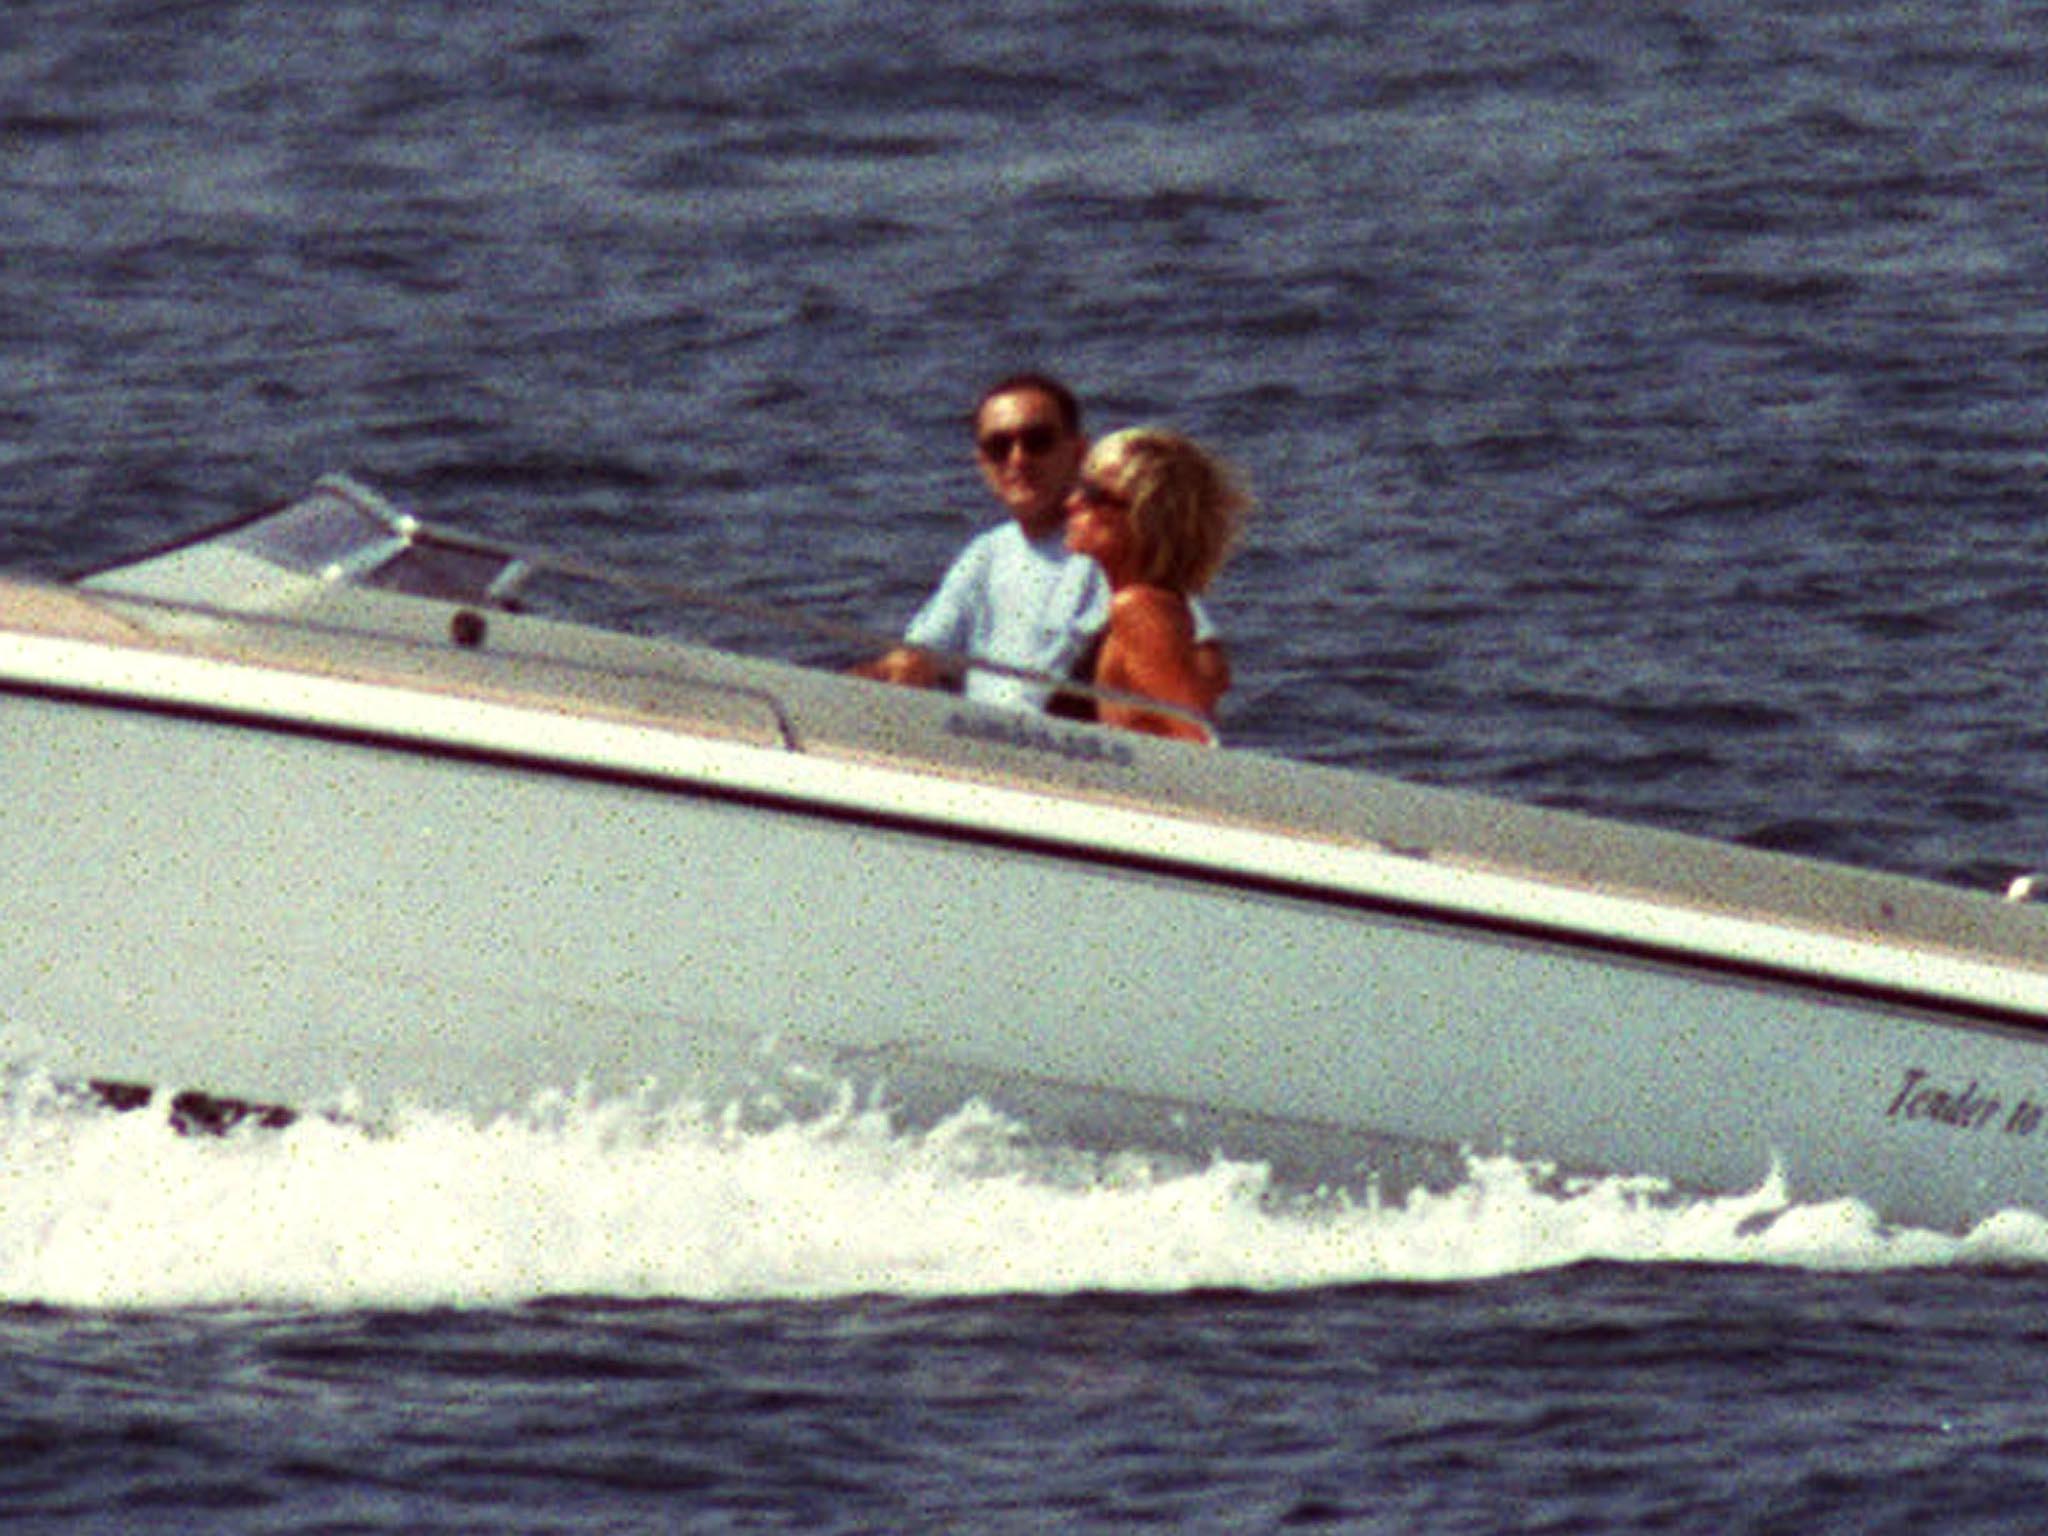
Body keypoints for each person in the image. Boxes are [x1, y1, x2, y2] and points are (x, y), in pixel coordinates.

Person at [857, 374, 1227, 711]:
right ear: (982, 463)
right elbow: (916, 658)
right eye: (999, 447)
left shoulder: (1114, 551)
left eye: (1037, 441)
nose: (1018, 459)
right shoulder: (985, 554)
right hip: (982, 752)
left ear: (1079, 452)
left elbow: (1203, 674)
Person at [1062, 426, 1246, 743]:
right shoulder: (1163, 607)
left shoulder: (1138, 610)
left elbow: (1198, 738)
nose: (1071, 503)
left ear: (1144, 518)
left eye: (1093, 495)